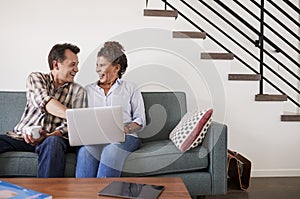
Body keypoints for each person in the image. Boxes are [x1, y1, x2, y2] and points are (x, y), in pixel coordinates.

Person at [0, 43, 87, 177]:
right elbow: (44, 102)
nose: (76, 69)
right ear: (56, 65)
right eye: (72, 64)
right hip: (23, 137)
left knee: (53, 143)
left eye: (77, 64)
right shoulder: (36, 78)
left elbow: (71, 126)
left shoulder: (78, 91)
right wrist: (73, 115)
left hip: (53, 138)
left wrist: (50, 135)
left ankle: (49, 195)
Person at [76, 41, 146, 178]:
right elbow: (79, 119)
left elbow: (140, 119)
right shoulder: (87, 90)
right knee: (85, 151)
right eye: (97, 65)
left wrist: (126, 129)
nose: (97, 69)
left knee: (111, 150)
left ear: (116, 67)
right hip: (95, 139)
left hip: (125, 138)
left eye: (102, 65)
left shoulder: (130, 88)